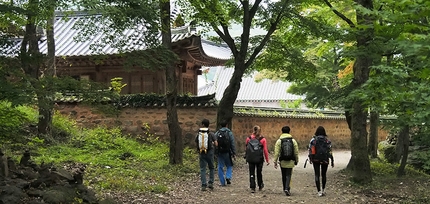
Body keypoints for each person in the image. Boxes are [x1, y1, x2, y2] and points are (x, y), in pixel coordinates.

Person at [308, 126, 334, 196]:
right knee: (324, 174)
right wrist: (332, 160)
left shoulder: (313, 140)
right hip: (325, 159)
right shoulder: (327, 141)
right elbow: (330, 151)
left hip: (316, 159)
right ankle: (323, 189)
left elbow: (310, 149)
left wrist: (310, 158)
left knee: (317, 174)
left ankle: (319, 191)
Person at [273, 126, 299, 196]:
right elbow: (296, 152)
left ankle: (285, 188)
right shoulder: (293, 141)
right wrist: (296, 160)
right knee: (288, 175)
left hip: (282, 161)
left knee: (283, 175)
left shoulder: (279, 141)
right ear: (289, 131)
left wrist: (275, 161)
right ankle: (287, 188)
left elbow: (276, 152)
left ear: (282, 131)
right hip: (291, 161)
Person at [245, 125, 270, 193]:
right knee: (259, 172)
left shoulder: (249, 138)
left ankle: (252, 186)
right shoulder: (262, 139)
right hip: (259, 158)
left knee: (251, 172)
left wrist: (246, 157)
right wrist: (267, 160)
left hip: (251, 158)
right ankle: (260, 185)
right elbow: (265, 150)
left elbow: (247, 149)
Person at [195, 119, 218, 191]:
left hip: (202, 152)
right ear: (208, 125)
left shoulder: (199, 133)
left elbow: (196, 141)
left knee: (203, 169)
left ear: (202, 125)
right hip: (210, 152)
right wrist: (213, 144)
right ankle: (210, 183)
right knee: (211, 167)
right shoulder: (211, 134)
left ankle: (203, 185)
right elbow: (216, 144)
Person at [215, 120, 236, 186]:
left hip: (220, 152)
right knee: (229, 165)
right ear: (226, 125)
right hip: (227, 152)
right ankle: (228, 176)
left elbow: (215, 142)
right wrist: (234, 152)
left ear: (220, 125)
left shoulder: (217, 133)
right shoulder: (229, 133)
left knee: (220, 166)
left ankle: (222, 182)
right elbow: (232, 143)